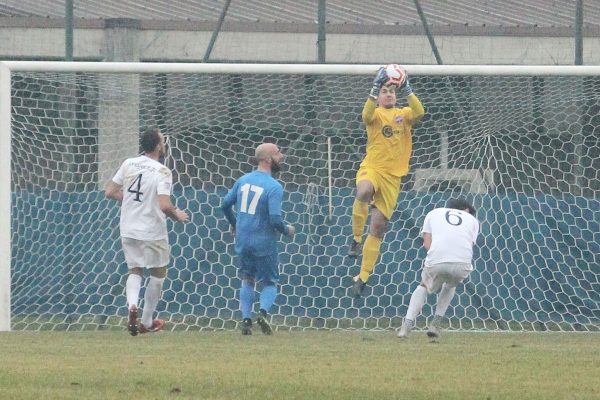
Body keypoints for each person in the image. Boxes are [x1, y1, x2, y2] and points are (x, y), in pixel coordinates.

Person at [349, 65, 425, 298]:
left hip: (394, 177)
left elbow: (420, 112)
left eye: (392, 90)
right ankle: (355, 239)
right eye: (385, 90)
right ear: (378, 95)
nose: (389, 94)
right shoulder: (375, 114)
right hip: (372, 168)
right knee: (363, 191)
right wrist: (373, 89)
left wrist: (409, 89)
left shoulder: (404, 114)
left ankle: (363, 276)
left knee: (379, 227)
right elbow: (365, 115)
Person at [105, 127, 189, 336]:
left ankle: (132, 306)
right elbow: (164, 205)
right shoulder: (162, 171)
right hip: (152, 230)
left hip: (128, 228)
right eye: (163, 140)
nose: (165, 144)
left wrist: (135, 201)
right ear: (158, 145)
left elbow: (110, 191)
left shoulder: (129, 163)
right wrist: (177, 215)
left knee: (135, 270)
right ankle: (147, 320)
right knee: (158, 273)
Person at [221, 143, 295, 335]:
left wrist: (235, 224)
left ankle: (246, 321)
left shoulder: (243, 180)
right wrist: (287, 230)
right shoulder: (274, 187)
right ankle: (262, 313)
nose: (282, 156)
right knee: (270, 282)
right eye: (278, 153)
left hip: (243, 240)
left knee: (247, 279)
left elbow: (225, 204)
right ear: (267, 159)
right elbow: (275, 219)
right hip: (263, 241)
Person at [398, 198, 479, 338]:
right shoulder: (473, 221)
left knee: (424, 285)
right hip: (462, 263)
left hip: (437, 259)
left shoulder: (433, 213)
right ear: (465, 211)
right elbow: (469, 246)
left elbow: (426, 242)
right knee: (451, 285)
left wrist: (437, 256)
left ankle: (407, 325)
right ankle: (435, 324)